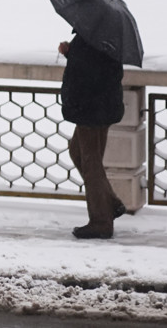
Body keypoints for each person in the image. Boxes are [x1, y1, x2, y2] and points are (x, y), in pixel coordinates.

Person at [59, 33, 126, 239]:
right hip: (98, 107)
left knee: (90, 162)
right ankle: (110, 203)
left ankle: (101, 221)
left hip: (92, 109)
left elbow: (91, 70)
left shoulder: (95, 38)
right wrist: (72, 52)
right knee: (77, 152)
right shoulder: (100, 36)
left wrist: (73, 53)